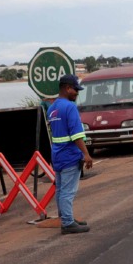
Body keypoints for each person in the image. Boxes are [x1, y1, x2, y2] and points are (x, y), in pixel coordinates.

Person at [48, 74, 94, 234]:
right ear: (67, 88)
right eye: (75, 89)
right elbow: (76, 135)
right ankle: (67, 223)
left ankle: (66, 217)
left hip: (57, 155)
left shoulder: (52, 108)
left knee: (60, 190)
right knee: (68, 191)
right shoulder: (70, 107)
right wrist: (86, 154)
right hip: (69, 155)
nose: (77, 93)